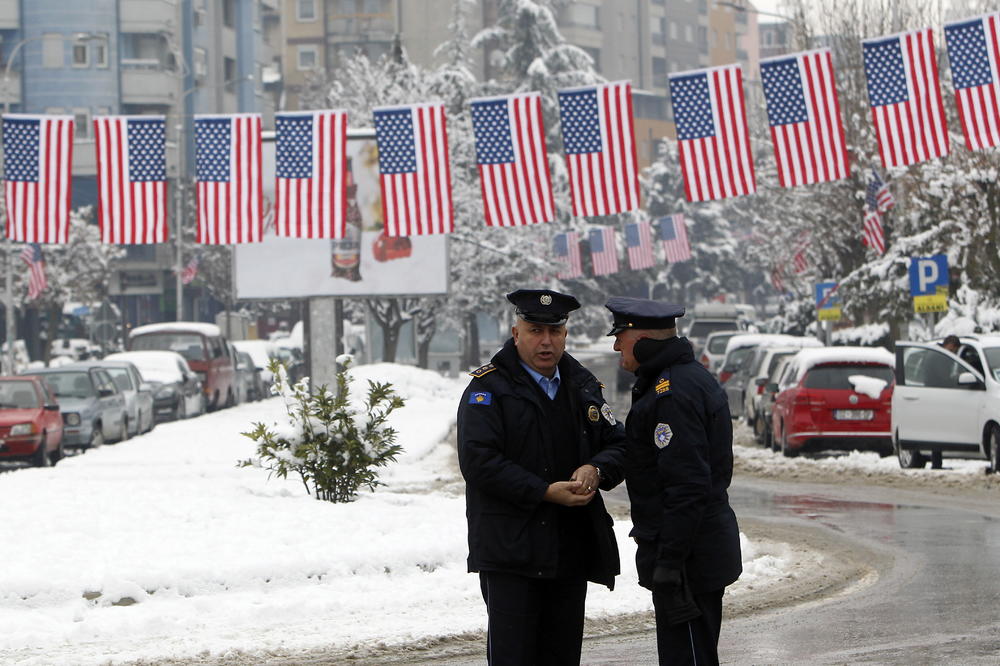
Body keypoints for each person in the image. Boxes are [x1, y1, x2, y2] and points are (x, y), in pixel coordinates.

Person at [457, 288, 626, 666]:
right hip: (511, 552)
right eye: (535, 330)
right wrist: (543, 492)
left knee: (562, 655)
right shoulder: (487, 389)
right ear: (516, 333)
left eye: (554, 332)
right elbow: (478, 462)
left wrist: (596, 469)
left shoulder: (582, 386)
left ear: (565, 335)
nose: (545, 341)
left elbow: (621, 444)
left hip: (569, 549)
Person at [605, 296, 742, 666]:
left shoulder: (672, 393)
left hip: (688, 561)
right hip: (690, 553)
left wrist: (670, 561)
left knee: (689, 657)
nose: (616, 344)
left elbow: (688, 486)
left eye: (622, 335)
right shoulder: (674, 381)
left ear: (645, 340)